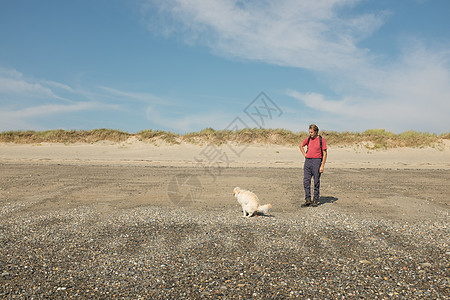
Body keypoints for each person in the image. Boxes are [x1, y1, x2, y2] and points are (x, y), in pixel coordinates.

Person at [299, 124, 327, 207]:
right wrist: (305, 154)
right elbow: (301, 145)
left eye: (311, 132)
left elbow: (325, 154)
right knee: (306, 181)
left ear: (316, 132)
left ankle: (315, 199)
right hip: (308, 161)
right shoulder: (308, 139)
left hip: (317, 161)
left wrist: (322, 166)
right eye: (309, 132)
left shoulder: (322, 140)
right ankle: (308, 199)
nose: (310, 133)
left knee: (316, 181)